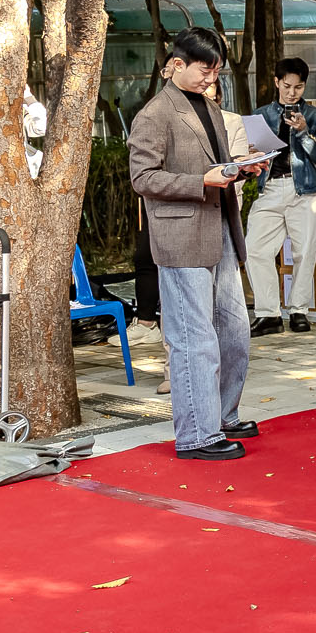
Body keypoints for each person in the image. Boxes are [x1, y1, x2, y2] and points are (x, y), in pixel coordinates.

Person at [129, 29, 266, 459]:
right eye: (204, 71)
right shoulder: (154, 113)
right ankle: (196, 435)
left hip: (222, 226)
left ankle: (223, 415)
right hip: (181, 235)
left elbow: (216, 167)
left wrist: (242, 169)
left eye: (216, 71)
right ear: (176, 64)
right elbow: (142, 178)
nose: (211, 79)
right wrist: (199, 181)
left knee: (234, 331)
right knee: (194, 338)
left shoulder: (209, 106)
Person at [245, 57, 316, 336]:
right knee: (255, 249)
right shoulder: (261, 115)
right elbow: (252, 157)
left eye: (298, 87)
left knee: (304, 253)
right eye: (287, 86)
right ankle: (268, 313)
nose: (292, 92)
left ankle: (298, 311)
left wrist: (304, 132)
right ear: (276, 83)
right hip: (270, 188)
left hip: (305, 191)